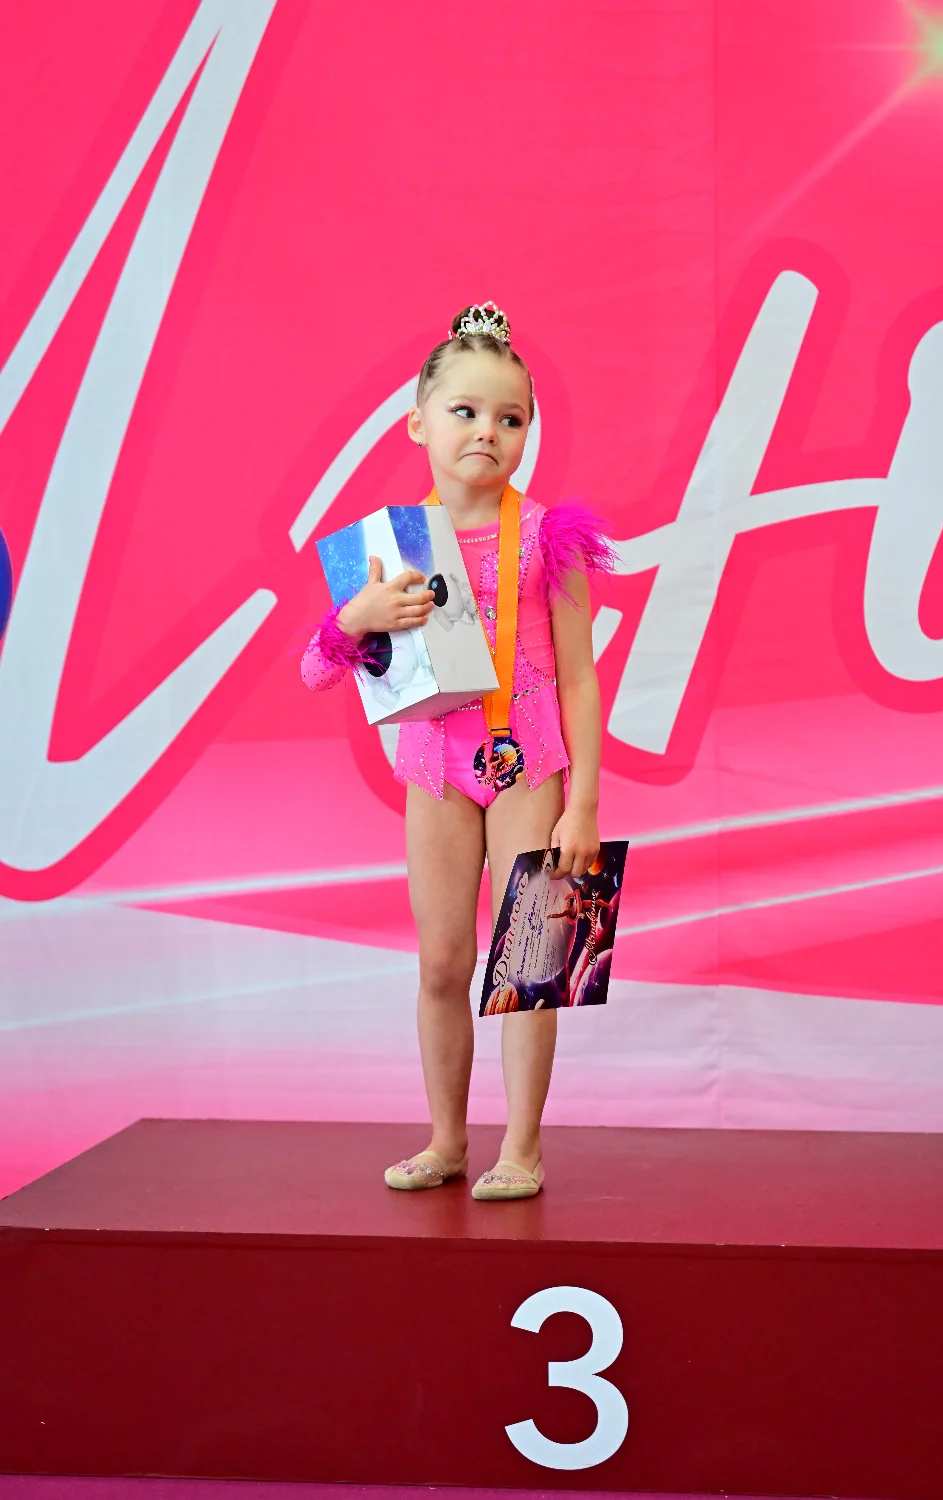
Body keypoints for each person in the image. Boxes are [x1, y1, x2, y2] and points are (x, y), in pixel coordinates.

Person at [301, 302, 614, 1200]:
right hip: (436, 773)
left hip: (531, 769)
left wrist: (583, 804)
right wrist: (356, 618)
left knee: (531, 964)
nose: (487, 431)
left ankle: (522, 1148)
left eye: (510, 418)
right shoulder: (386, 549)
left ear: (528, 434)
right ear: (418, 423)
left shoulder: (548, 537)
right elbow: (317, 672)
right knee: (442, 963)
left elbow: (580, 678)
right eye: (465, 411)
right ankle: (446, 1140)